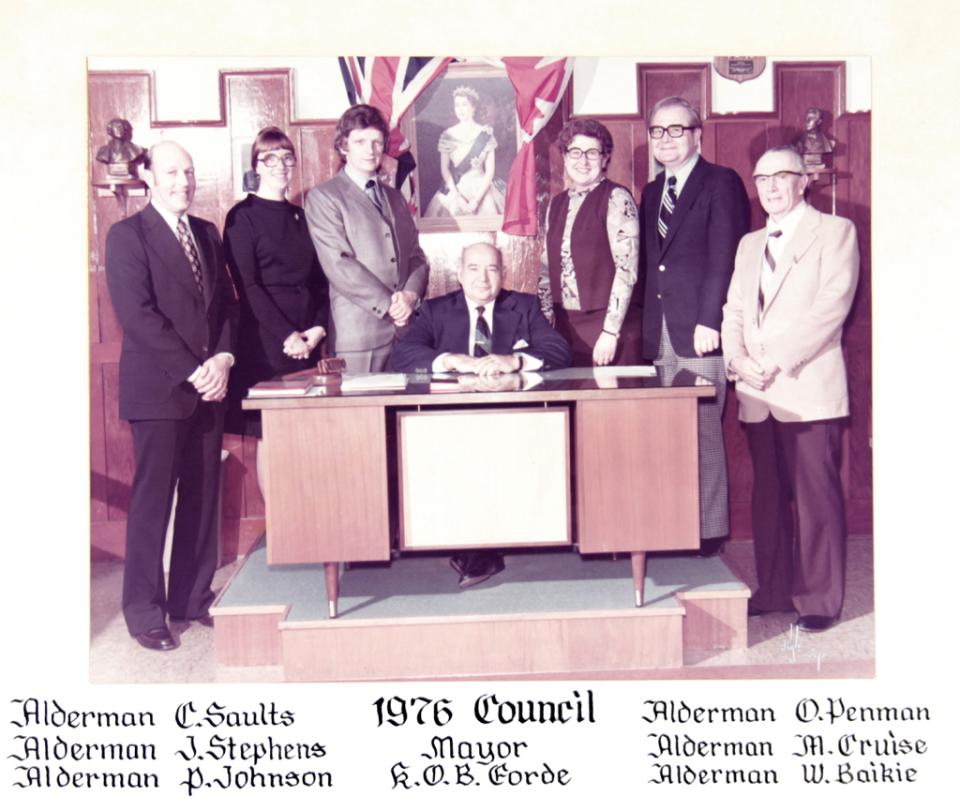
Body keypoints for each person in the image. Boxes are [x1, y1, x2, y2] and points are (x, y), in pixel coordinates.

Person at [104, 141, 237, 651]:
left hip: (209, 385)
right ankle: (144, 613)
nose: (183, 180)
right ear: (147, 176)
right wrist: (196, 371)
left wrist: (222, 359)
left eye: (189, 170)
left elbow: (226, 307)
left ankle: (190, 599)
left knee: (202, 498)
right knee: (153, 502)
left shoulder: (206, 233)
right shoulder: (126, 235)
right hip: (159, 391)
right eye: (171, 171)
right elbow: (138, 317)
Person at [721, 146, 859, 633]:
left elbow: (831, 308)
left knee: (815, 496)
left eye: (782, 176)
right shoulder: (749, 243)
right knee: (769, 496)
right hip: (757, 392)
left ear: (804, 181)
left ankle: (819, 599)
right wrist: (736, 360)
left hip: (805, 385)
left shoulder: (836, 232)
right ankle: (775, 590)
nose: (771, 186)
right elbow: (734, 310)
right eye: (762, 178)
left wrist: (775, 361)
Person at [392, 242, 572, 587]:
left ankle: (481, 549)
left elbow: (558, 350)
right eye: (473, 268)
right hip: (451, 421)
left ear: (502, 275)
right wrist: (450, 360)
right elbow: (405, 353)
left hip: (513, 420)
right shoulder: (435, 310)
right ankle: (476, 547)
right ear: (459, 274)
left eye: (491, 269)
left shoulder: (524, 306)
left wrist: (515, 360)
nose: (483, 278)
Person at [639, 96, 751, 555]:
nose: (666, 139)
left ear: (697, 134)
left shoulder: (721, 182)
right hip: (659, 333)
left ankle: (708, 533)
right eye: (657, 131)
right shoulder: (650, 192)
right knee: (667, 434)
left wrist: (712, 319)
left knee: (703, 432)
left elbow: (727, 256)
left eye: (676, 130)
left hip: (701, 331)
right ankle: (674, 525)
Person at [224, 127, 329, 445]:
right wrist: (288, 336)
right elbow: (248, 286)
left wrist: (318, 329)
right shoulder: (242, 216)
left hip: (307, 340)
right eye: (270, 159)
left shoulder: (304, 216)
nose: (280, 166)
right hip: (267, 342)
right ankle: (276, 500)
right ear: (256, 165)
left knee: (302, 435)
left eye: (287, 158)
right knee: (271, 436)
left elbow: (320, 282)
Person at [304, 104, 428, 372]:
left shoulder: (395, 197)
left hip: (405, 332)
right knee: (362, 413)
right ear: (343, 146)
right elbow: (339, 264)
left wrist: (409, 296)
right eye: (360, 141)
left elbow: (416, 257)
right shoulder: (325, 197)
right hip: (358, 337)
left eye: (376, 142)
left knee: (405, 413)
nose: (370, 150)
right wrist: (391, 306)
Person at [539, 118, 640, 366]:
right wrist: (544, 323)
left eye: (592, 153)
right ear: (564, 156)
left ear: (605, 158)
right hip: (564, 327)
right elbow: (545, 267)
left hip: (605, 328)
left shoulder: (617, 198)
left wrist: (610, 331)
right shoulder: (557, 202)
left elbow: (627, 270)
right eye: (575, 152)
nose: (582, 161)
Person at [424, 85, 506, 218]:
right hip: (456, 188)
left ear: (473, 107)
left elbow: (490, 171)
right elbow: (445, 169)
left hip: (482, 189)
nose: (460, 109)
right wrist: (457, 198)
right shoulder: (447, 135)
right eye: (457, 105)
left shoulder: (486, 134)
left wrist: (477, 201)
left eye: (464, 105)